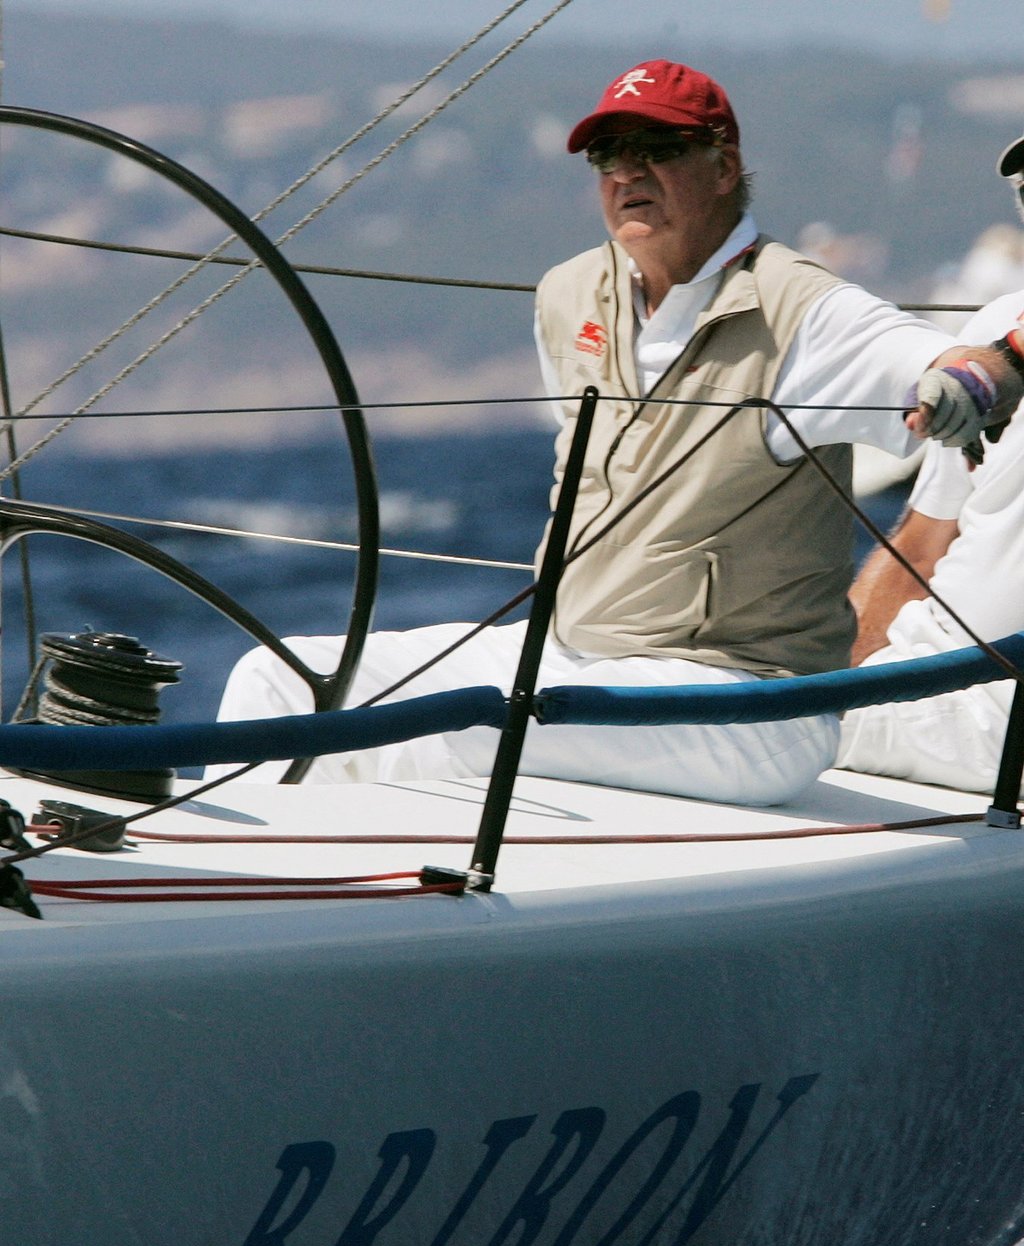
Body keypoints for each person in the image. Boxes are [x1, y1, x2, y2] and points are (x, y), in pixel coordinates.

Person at [214, 60, 1024, 805]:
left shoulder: (807, 312)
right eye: (607, 155)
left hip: (743, 701)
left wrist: (971, 382)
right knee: (280, 682)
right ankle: (249, 896)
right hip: (576, 655)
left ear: (724, 167)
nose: (627, 173)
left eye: (656, 150)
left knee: (459, 719)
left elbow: (961, 362)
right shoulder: (568, 296)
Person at [838, 131, 1024, 794]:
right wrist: (836, 685)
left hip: (997, 728)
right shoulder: (998, 327)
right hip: (917, 690)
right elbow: (921, 542)